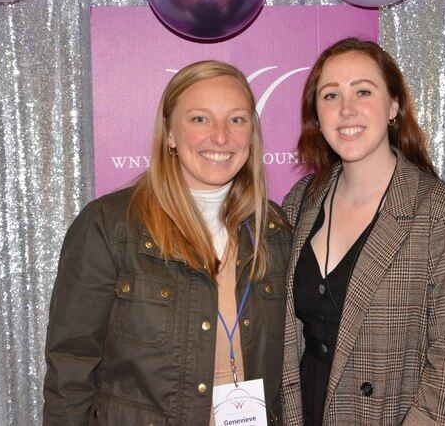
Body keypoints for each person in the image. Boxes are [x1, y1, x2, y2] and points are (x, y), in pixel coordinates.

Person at [43, 61, 291, 425]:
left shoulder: (273, 228)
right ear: (170, 135)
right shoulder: (109, 226)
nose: (221, 137)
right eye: (200, 119)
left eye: (237, 120)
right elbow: (71, 369)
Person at [280, 38, 445, 425]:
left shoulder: (443, 214)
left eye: (363, 91)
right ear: (316, 114)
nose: (346, 109)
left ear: (393, 106)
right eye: (330, 95)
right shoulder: (299, 202)